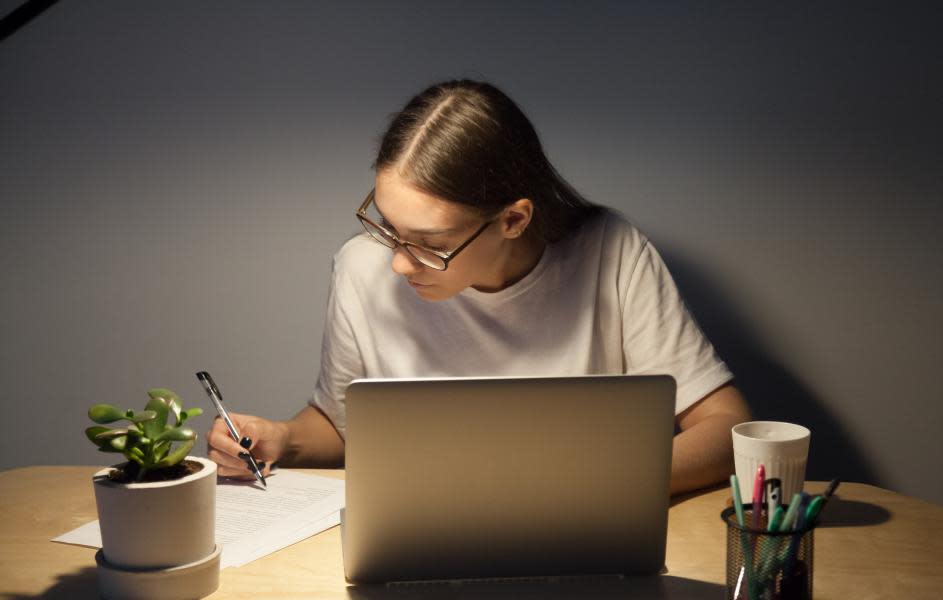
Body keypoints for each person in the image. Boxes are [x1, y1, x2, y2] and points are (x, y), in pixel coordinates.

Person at [207, 79, 751, 495]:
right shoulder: (360, 267)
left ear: (513, 219)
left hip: (577, 538)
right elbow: (344, 425)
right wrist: (281, 437)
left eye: (428, 240)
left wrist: (590, 489)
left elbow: (729, 430)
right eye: (388, 228)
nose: (398, 263)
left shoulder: (610, 253)